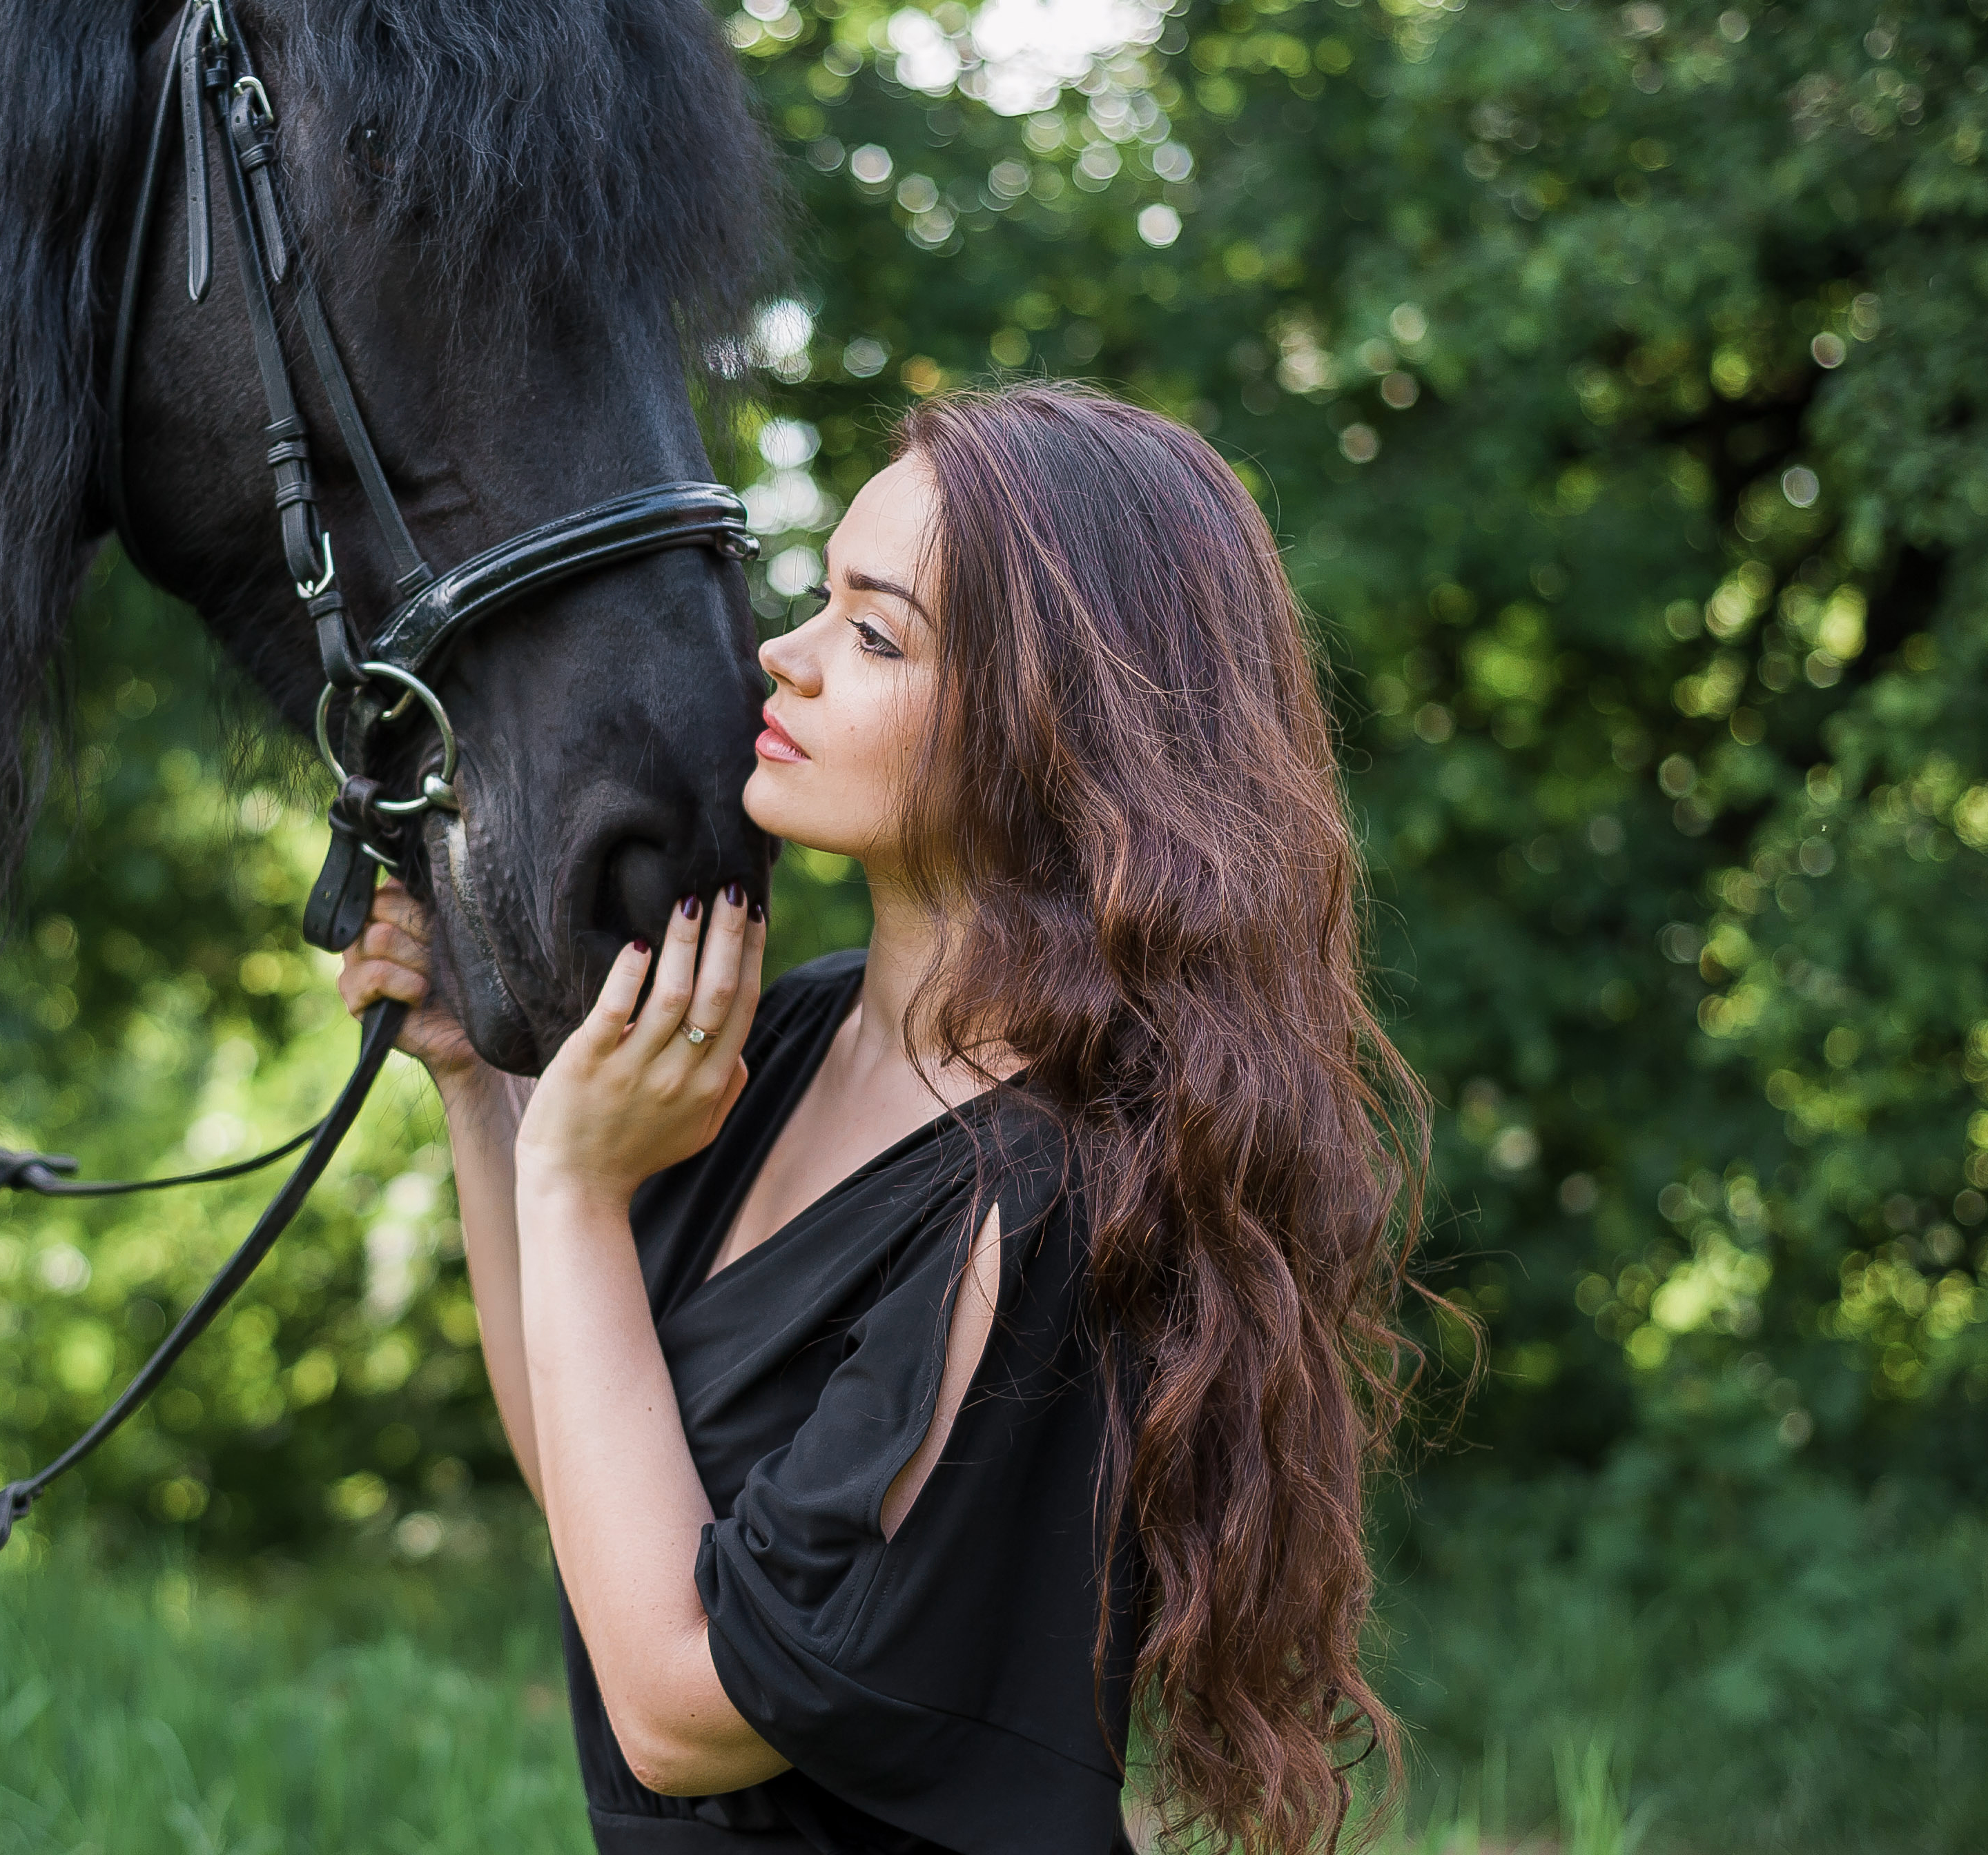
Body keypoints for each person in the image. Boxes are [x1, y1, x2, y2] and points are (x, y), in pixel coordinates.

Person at [340, 382, 1430, 1855]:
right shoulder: (792, 1036)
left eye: (872, 633)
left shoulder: (1045, 1195)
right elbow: (608, 1491)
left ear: (1053, 731)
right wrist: (486, 1094)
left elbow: (680, 1716)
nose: (779, 659)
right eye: (818, 602)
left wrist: (575, 1189)